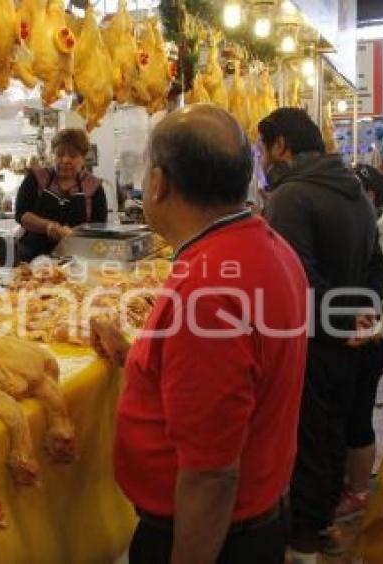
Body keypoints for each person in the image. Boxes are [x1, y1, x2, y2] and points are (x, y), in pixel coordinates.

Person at [91, 105, 309, 564]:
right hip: (249, 519)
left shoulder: (207, 291)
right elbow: (223, 381)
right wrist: (136, 355)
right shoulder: (266, 246)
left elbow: (211, 475)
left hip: (211, 536)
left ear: (159, 182)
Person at [260, 108, 383, 561]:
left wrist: (344, 319)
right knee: (332, 431)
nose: (264, 159)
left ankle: (303, 541)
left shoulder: (291, 196)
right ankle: (323, 522)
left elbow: (296, 278)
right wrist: (360, 314)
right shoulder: (355, 191)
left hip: (309, 338)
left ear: (280, 146)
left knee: (308, 439)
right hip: (347, 340)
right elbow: (377, 266)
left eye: (264, 148)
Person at [336, 165, 383, 521]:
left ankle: (359, 492)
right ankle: (350, 483)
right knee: (350, 412)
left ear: (369, 196)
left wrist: (361, 312)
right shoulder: (362, 227)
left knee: (358, 414)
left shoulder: (378, 232)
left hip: (374, 335)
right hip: (363, 331)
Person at [14, 128, 107, 263]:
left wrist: (74, 233)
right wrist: (48, 226)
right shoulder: (36, 178)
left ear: (83, 157)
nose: (65, 160)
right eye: (59, 154)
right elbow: (21, 214)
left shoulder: (94, 186)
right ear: (52, 154)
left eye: (73, 156)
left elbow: (99, 227)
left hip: (77, 260)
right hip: (32, 258)